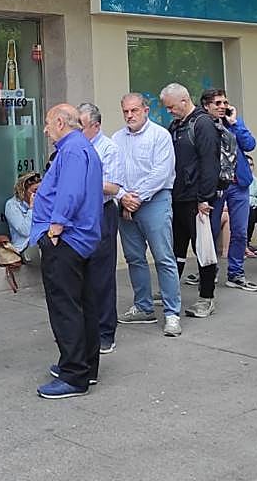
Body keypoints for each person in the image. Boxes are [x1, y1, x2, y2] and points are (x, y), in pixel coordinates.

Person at [30, 104, 104, 399]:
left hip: (68, 239)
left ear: (60, 122)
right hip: (80, 239)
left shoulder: (72, 149)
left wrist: (55, 227)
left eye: (48, 123)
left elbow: (70, 192)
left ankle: (74, 374)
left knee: (66, 307)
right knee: (83, 303)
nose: (45, 130)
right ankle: (86, 367)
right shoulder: (81, 147)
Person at [109, 93, 182, 337]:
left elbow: (160, 173)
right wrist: (123, 198)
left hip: (154, 202)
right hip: (126, 205)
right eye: (126, 112)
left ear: (145, 110)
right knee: (134, 258)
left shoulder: (160, 136)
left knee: (163, 257)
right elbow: (111, 172)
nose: (130, 115)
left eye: (134, 111)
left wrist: (134, 198)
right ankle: (143, 307)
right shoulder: (117, 139)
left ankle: (172, 314)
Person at [159, 83, 220, 319]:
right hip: (177, 196)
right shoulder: (176, 125)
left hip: (196, 200)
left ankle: (207, 298)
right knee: (176, 248)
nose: (169, 112)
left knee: (203, 248)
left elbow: (210, 164)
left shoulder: (202, 124)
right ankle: (170, 290)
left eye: (171, 107)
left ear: (184, 101)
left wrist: (205, 198)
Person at [200, 89, 257, 293]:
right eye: (217, 103)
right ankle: (209, 271)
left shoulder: (232, 124)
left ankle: (236, 272)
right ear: (206, 106)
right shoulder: (202, 125)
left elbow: (250, 144)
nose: (222, 106)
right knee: (212, 230)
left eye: (225, 102)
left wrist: (236, 123)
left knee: (240, 231)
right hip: (215, 186)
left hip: (238, 183)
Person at [78, 102, 120, 355]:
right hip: (79, 215)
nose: (76, 131)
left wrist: (83, 179)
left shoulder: (108, 148)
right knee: (81, 275)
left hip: (101, 212)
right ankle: (86, 329)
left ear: (95, 126)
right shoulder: (74, 148)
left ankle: (106, 332)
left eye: (80, 126)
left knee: (101, 275)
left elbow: (113, 187)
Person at [5, 171, 40, 261]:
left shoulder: (42, 201)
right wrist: (32, 209)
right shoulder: (12, 205)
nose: (39, 193)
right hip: (25, 248)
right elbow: (25, 231)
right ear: (23, 191)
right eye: (35, 191)